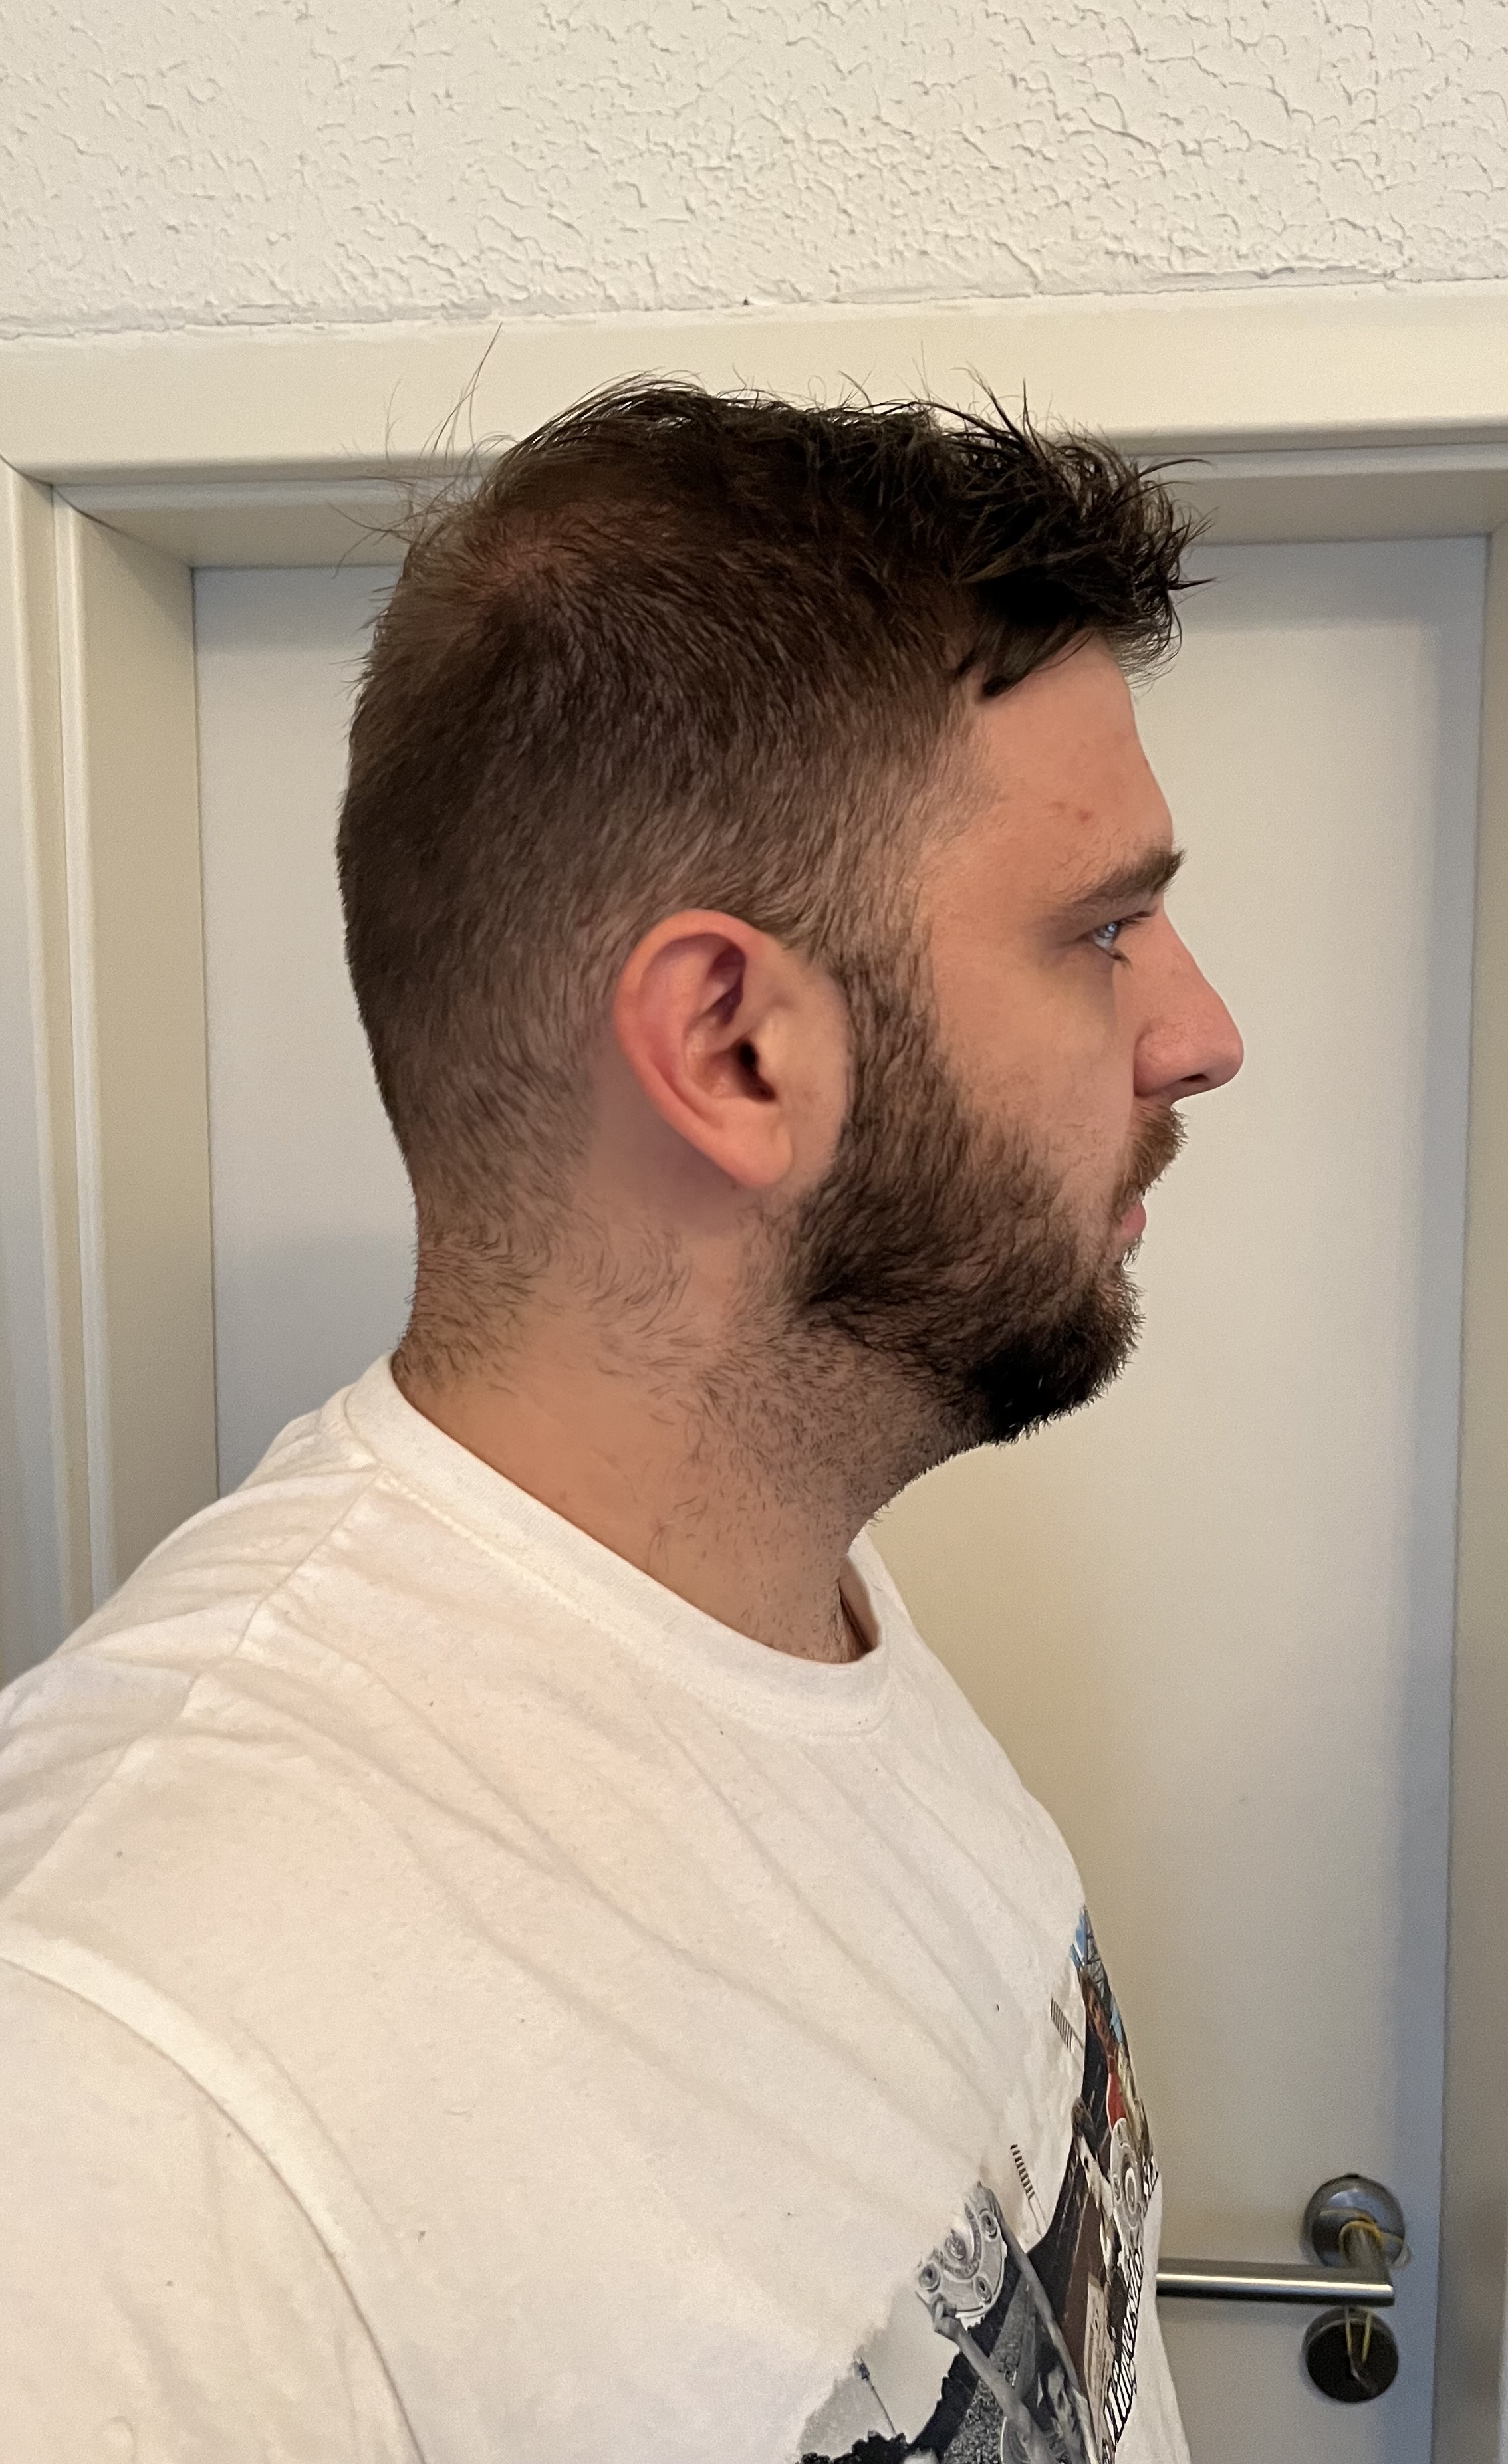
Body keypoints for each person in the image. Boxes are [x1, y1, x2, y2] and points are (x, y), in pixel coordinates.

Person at [0, 383, 1242, 2464]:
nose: (1198, 1034)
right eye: (1100, 932)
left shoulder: (802, 1610)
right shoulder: (129, 2087)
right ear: (732, 1050)